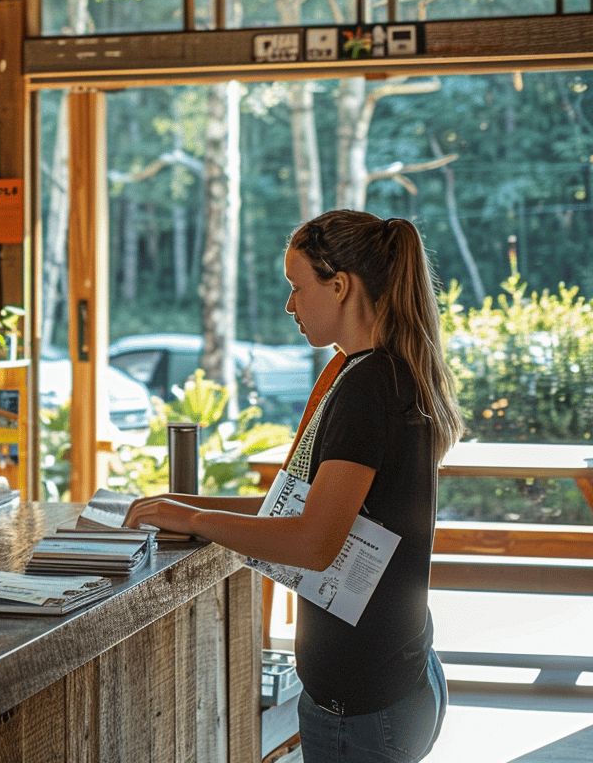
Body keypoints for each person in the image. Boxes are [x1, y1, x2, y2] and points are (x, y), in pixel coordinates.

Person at [126, 210, 462, 763]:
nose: (289, 305)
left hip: (362, 702)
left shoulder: (367, 386)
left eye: (297, 287)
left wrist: (193, 521)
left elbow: (313, 542)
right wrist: (180, 504)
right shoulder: (381, 372)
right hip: (395, 677)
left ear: (340, 286)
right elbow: (306, 509)